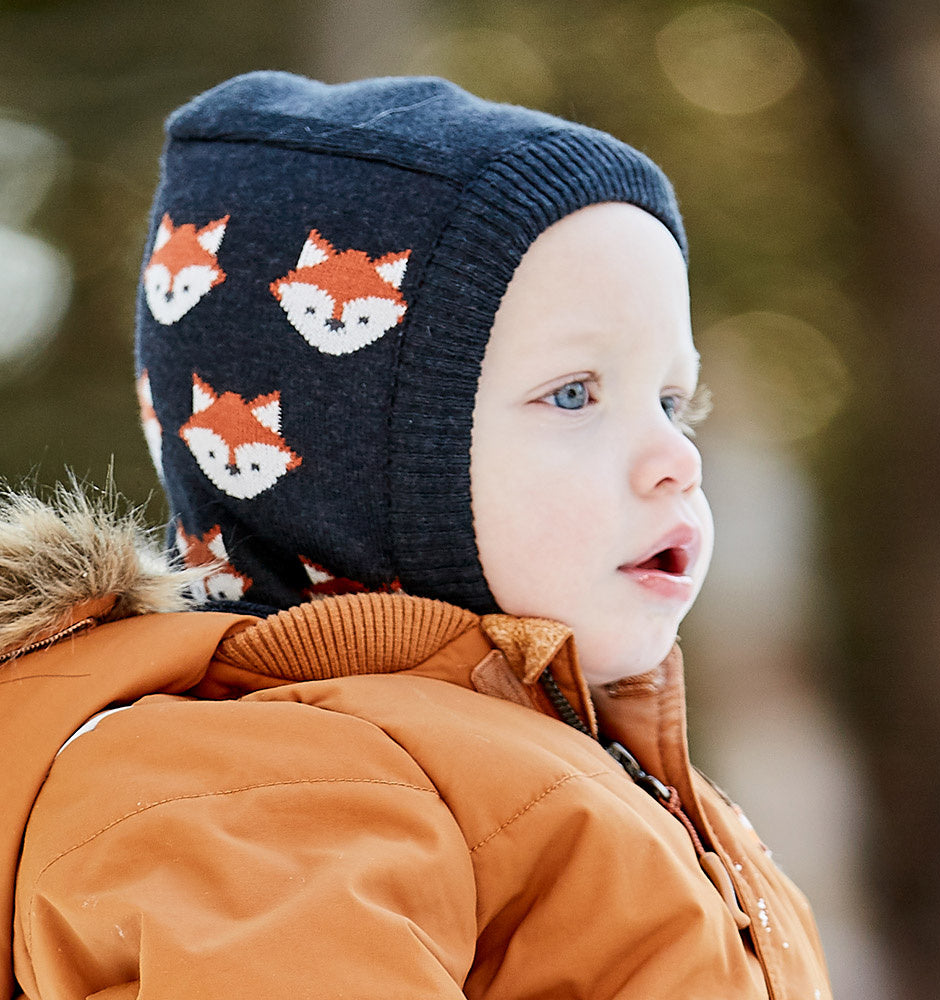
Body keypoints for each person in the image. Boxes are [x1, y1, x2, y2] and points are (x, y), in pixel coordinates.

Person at [1, 72, 832, 999]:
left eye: (674, 400)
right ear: (355, 457)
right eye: (573, 394)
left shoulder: (596, 767)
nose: (675, 458)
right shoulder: (264, 795)